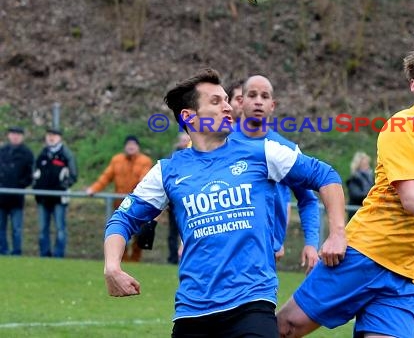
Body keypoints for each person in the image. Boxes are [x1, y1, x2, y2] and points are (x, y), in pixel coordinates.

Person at [277, 30, 414, 338]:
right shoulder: (403, 124)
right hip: (367, 254)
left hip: (407, 277)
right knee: (286, 327)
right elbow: (412, 198)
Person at [103, 68, 346, 338]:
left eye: (227, 100)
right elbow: (123, 219)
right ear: (189, 116)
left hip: (251, 305)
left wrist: (336, 233)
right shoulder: (168, 171)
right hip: (192, 312)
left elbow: (326, 176)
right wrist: (112, 266)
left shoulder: (263, 153)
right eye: (216, 102)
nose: (228, 107)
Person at [232, 75, 320, 272]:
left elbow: (308, 200)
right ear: (240, 101)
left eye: (264, 97)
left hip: (265, 256)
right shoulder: (219, 144)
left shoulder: (285, 150)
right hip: (222, 252)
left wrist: (312, 243)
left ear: (272, 105)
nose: (258, 101)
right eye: (252, 95)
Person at [87, 135, 153, 262]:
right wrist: (93, 189)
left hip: (138, 205)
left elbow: (144, 179)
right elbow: (106, 177)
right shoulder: (117, 160)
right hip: (121, 206)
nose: (131, 147)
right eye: (128, 144)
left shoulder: (145, 161)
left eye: (134, 144)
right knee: (119, 233)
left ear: (138, 147)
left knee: (140, 234)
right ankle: (121, 260)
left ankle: (135, 260)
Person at [33, 128, 78, 258]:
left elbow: (73, 175)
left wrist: (62, 186)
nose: (51, 138)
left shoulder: (66, 154)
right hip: (42, 197)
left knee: (60, 228)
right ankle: (44, 254)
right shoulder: (42, 153)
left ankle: (58, 255)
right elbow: (35, 171)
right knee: (42, 229)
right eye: (49, 135)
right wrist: (36, 185)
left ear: (60, 138)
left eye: (54, 135)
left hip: (59, 198)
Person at [0, 127, 34, 255]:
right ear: (8, 135)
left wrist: (21, 185)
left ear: (22, 137)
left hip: (17, 197)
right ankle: (2, 250)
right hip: (1, 197)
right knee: (1, 227)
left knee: (16, 227)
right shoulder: (2, 151)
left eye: (18, 135)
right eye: (13, 134)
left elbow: (30, 175)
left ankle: (16, 251)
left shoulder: (27, 153)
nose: (15, 137)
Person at [166, 132, 191, 264]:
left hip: (190, 201)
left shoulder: (194, 156)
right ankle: (173, 258)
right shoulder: (172, 159)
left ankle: (187, 257)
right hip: (174, 204)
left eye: (187, 140)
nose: (185, 142)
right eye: (183, 140)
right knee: (173, 232)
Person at [345, 151, 374, 221]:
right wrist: (372, 194)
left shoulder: (370, 178)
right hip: (356, 215)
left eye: (367, 164)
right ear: (358, 165)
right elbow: (356, 195)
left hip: (367, 214)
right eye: (365, 164)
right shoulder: (353, 179)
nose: (368, 166)